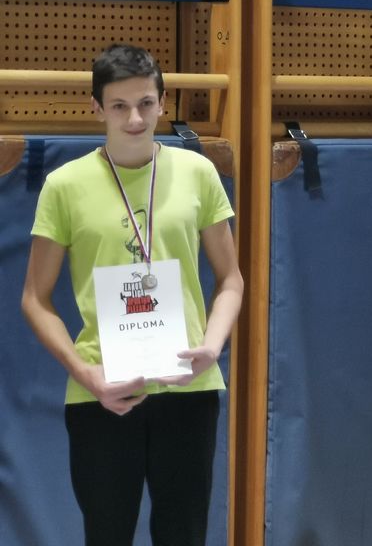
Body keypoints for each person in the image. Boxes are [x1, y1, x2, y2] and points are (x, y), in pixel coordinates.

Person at [21, 44, 244, 546]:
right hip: (102, 391)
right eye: (119, 106)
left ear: (163, 102)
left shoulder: (197, 172)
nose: (135, 119)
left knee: (184, 534)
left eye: (145, 103)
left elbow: (231, 279)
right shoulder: (64, 186)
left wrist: (212, 346)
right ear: (96, 108)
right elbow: (35, 298)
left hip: (188, 388)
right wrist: (86, 375)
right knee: (107, 535)